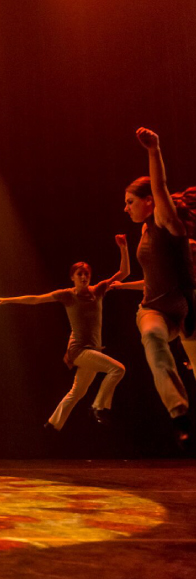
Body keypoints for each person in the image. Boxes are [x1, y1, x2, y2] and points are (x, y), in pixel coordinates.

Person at [0, 235, 129, 431]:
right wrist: (8, 300)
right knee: (118, 369)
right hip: (79, 351)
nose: (84, 277)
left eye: (86, 274)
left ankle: (52, 424)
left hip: (93, 351)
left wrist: (124, 248)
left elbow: (124, 272)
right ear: (72, 277)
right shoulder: (67, 295)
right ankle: (98, 407)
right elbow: (36, 299)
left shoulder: (98, 290)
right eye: (79, 274)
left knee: (77, 392)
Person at [119, 127, 196, 447]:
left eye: (130, 202)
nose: (126, 208)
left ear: (150, 202)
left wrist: (154, 151)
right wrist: (118, 287)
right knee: (151, 335)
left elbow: (161, 185)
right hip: (156, 310)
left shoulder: (167, 222)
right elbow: (155, 281)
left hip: (190, 308)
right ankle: (179, 410)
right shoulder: (144, 232)